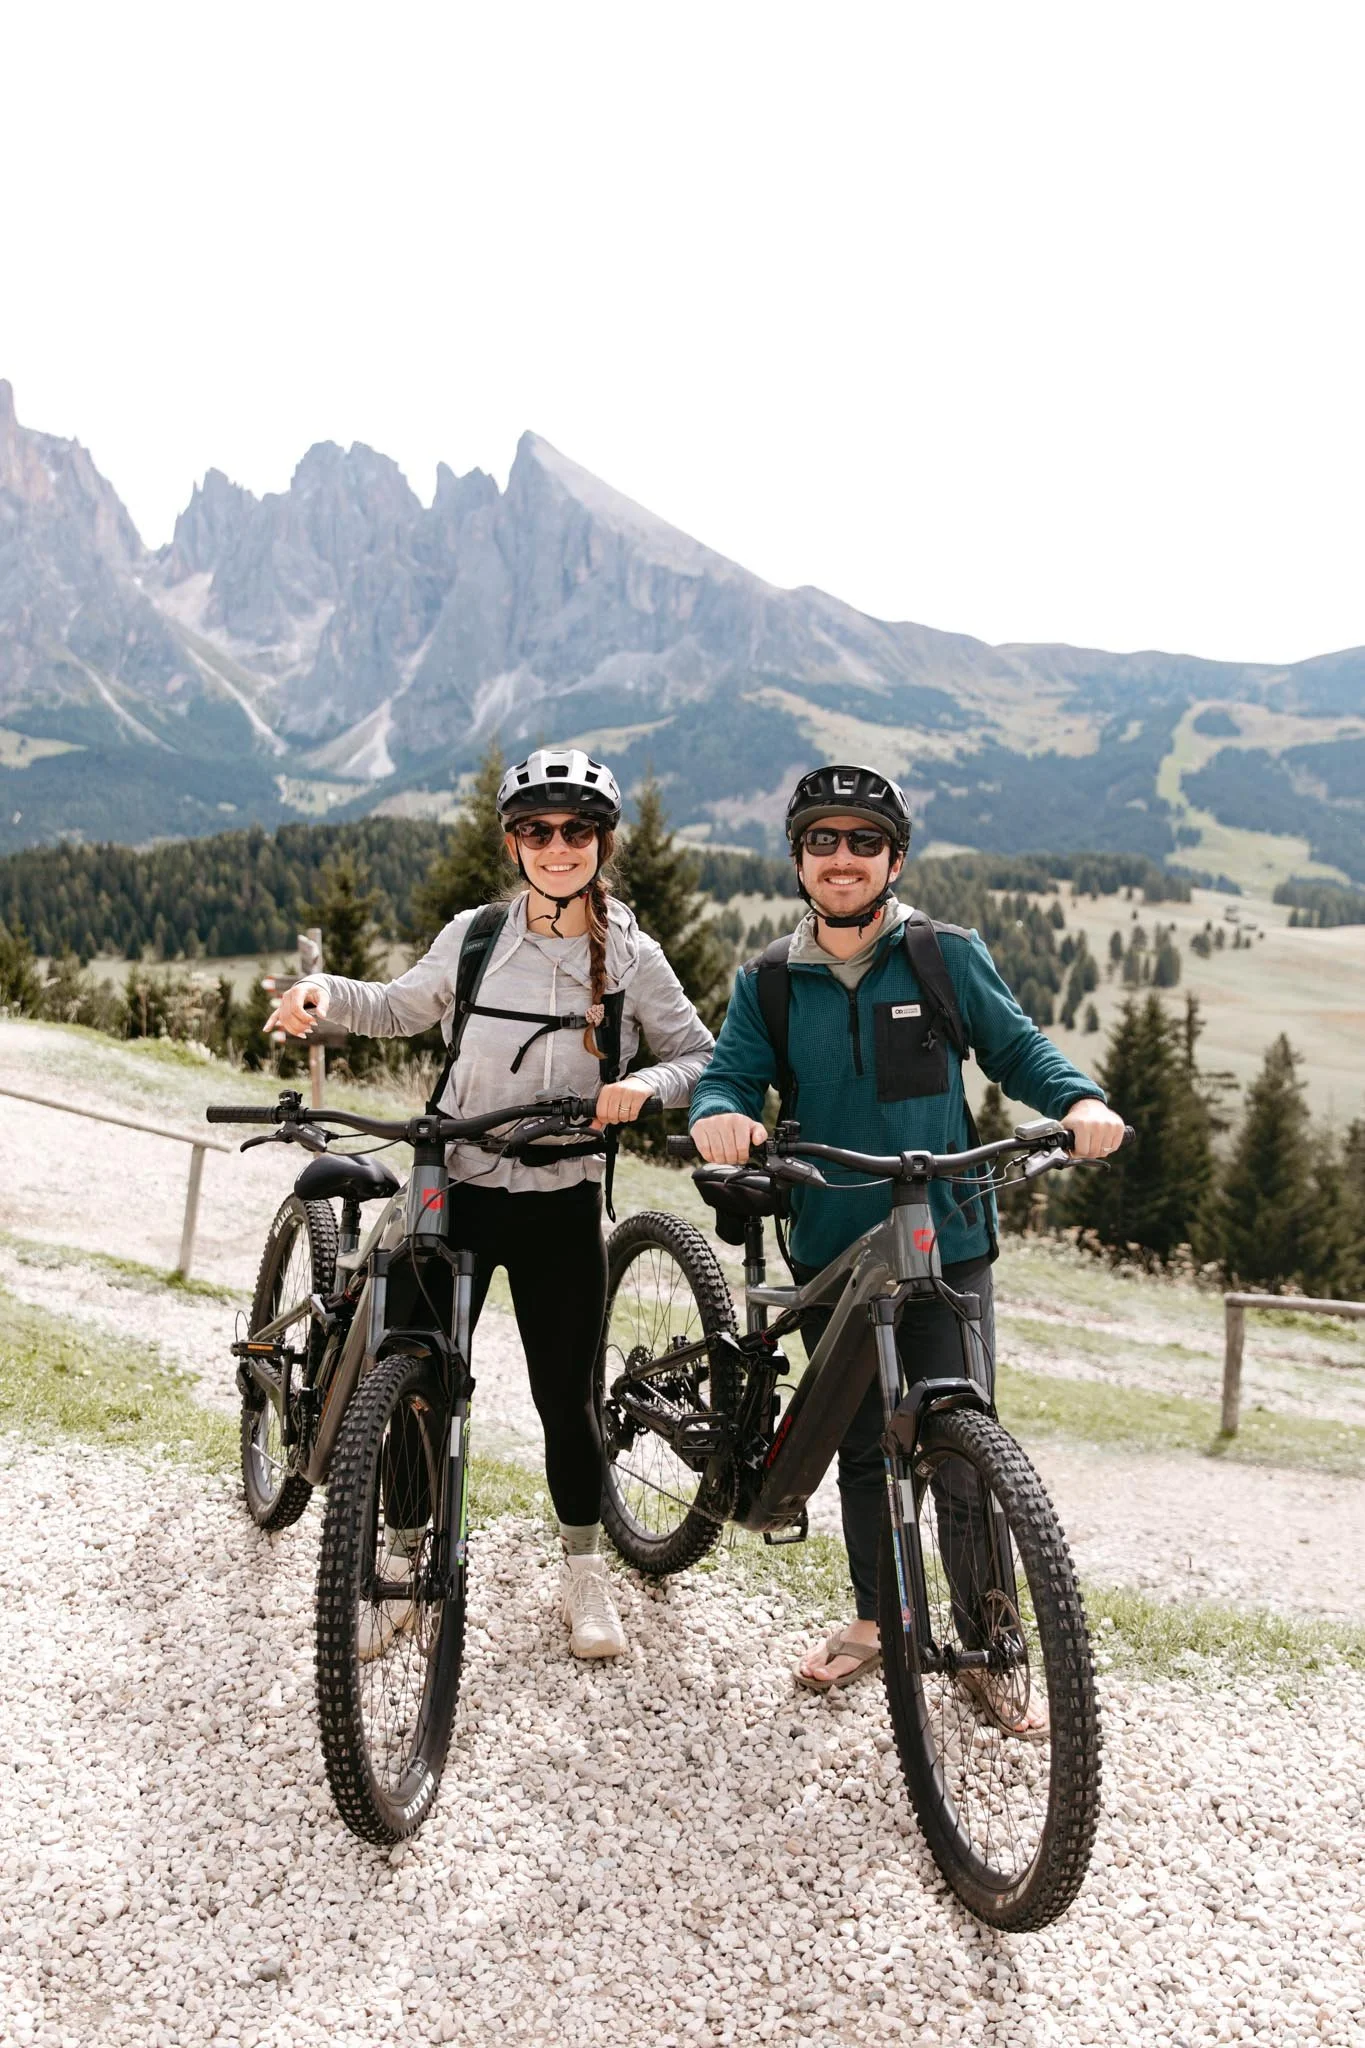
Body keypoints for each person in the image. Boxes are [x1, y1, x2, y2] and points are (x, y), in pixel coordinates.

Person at [688, 763, 1125, 1705]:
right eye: (822, 842)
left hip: (946, 1236)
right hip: (831, 1243)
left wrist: (1079, 1100)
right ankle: (878, 1621)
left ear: (893, 859)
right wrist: (717, 1116)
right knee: (858, 1445)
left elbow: (1018, 1051)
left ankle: (990, 1641)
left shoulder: (942, 955)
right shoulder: (768, 980)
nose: (841, 858)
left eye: (863, 843)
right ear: (799, 859)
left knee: (961, 1441)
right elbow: (728, 1078)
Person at [267, 747, 714, 1661]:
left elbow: (702, 1059)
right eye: (538, 831)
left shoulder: (634, 956)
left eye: (577, 830)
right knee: (418, 1382)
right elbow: (397, 1006)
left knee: (567, 1398)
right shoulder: (476, 935)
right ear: (514, 843)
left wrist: (647, 1084)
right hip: (455, 1182)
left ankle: (585, 1577)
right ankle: (398, 1569)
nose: (558, 846)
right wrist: (322, 994)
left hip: (562, 1199)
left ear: (603, 842)